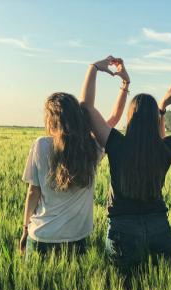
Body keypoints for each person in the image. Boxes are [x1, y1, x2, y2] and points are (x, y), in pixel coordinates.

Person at [80, 56, 171, 269]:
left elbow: (85, 107)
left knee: (124, 286)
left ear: (130, 117)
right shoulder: (165, 147)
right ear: (155, 119)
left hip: (122, 227)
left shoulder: (116, 143)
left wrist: (93, 68)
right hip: (158, 226)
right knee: (159, 285)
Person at [19, 58, 128, 257]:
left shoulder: (41, 145)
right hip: (77, 238)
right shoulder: (92, 147)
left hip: (42, 236)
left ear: (51, 120)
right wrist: (124, 84)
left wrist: (25, 227)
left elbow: (33, 192)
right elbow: (113, 118)